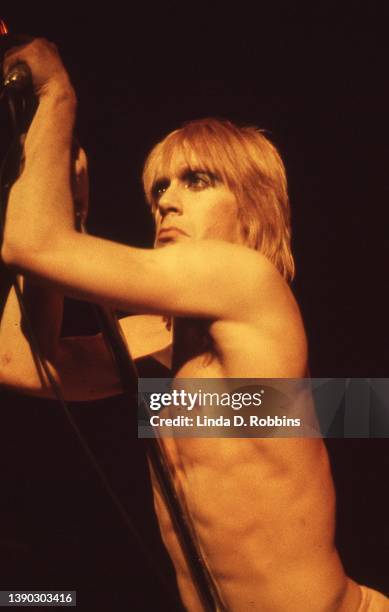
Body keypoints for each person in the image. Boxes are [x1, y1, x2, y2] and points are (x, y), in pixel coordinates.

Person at [0, 39, 387, 611]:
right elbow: (16, 360)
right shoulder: (158, 340)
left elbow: (30, 242)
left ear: (252, 206)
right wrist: (63, 210)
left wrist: (56, 92)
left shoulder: (245, 278)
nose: (168, 202)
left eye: (197, 181)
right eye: (160, 188)